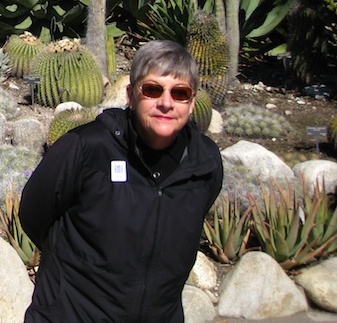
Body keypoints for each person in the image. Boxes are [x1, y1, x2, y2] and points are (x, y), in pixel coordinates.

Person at [19, 40, 223, 322]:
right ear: (130, 95)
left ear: (191, 102)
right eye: (152, 90)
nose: (166, 102)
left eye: (180, 93)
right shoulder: (86, 148)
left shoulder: (205, 162)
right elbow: (33, 214)